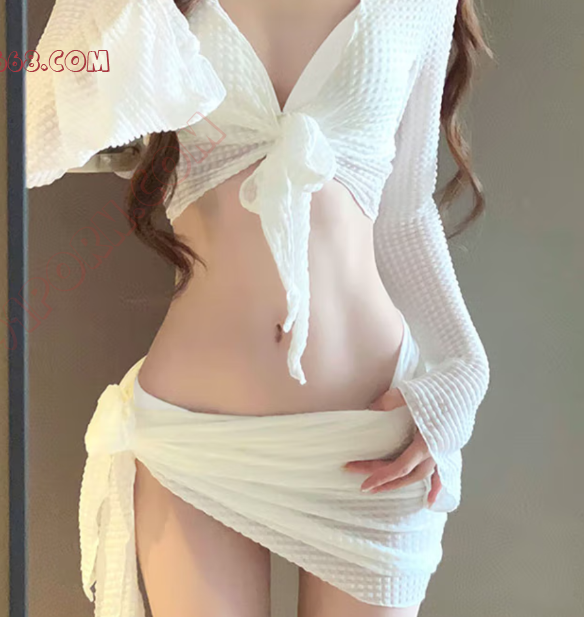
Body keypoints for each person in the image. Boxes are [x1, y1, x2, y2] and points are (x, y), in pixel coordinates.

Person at [26, 0, 492, 616]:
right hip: (194, 432)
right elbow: (34, 133)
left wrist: (466, 371)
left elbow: (405, 214)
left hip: (371, 432)